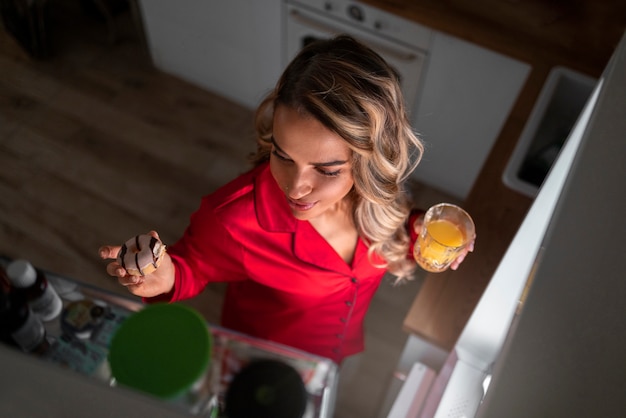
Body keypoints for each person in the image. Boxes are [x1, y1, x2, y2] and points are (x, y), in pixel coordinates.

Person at [99, 35, 474, 364]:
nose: (295, 188)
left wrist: (419, 232)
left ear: (368, 163)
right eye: (283, 155)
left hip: (339, 346)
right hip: (265, 356)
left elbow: (390, 236)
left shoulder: (374, 200)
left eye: (326, 171)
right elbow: (191, 266)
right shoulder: (233, 219)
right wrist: (166, 276)